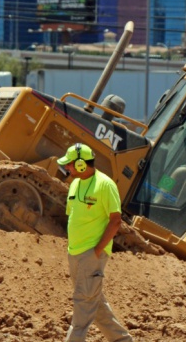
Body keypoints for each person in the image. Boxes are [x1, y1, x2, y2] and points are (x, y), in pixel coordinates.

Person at [57, 143, 133, 342]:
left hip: (90, 255)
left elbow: (116, 220)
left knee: (82, 312)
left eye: (70, 165)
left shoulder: (105, 185)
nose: (67, 168)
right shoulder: (74, 184)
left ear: (82, 165)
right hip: (74, 254)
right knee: (95, 304)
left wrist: (97, 251)